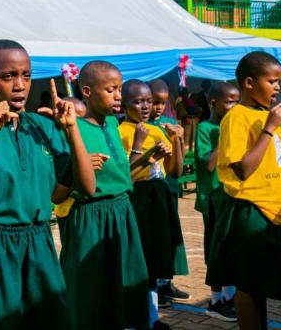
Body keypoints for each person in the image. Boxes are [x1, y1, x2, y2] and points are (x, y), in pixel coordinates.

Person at [0, 39, 95, 330]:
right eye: (8, 76)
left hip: (39, 246)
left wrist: (72, 131)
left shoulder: (41, 128)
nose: (20, 85)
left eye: (26, 75)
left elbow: (86, 187)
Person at [56, 60, 149, 330]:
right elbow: (58, 192)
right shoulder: (73, 129)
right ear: (87, 91)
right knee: (88, 291)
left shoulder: (112, 123)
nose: (119, 95)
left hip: (122, 212)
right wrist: (80, 168)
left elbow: (120, 177)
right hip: (90, 217)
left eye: (119, 89)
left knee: (124, 284)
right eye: (111, 90)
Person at [209, 51, 281, 330]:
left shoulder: (265, 115)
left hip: (276, 209)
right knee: (250, 286)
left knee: (265, 282)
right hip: (251, 209)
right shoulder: (237, 117)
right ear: (249, 83)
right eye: (272, 81)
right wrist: (269, 130)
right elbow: (242, 169)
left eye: (279, 82)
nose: (277, 88)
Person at [118, 80, 187, 330]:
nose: (145, 106)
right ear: (124, 104)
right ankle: (138, 319)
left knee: (156, 260)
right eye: (137, 101)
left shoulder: (156, 130)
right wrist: (144, 151)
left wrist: (176, 142)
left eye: (148, 101)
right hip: (138, 200)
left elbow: (175, 172)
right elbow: (126, 177)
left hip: (159, 198)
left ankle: (152, 318)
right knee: (141, 260)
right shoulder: (122, 131)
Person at [194, 82, 239, 322]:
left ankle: (230, 298)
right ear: (213, 103)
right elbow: (208, 164)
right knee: (215, 249)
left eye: (237, 101)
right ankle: (214, 301)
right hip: (213, 199)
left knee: (230, 248)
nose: (234, 106)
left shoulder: (235, 126)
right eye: (229, 101)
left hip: (231, 196)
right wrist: (225, 138)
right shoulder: (205, 128)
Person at [148, 79, 191, 305]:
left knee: (169, 235)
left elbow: (178, 167)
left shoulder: (168, 123)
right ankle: (154, 285)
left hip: (168, 188)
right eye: (154, 102)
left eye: (162, 103)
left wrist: (180, 140)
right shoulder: (136, 124)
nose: (157, 107)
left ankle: (165, 283)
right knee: (154, 238)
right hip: (147, 192)